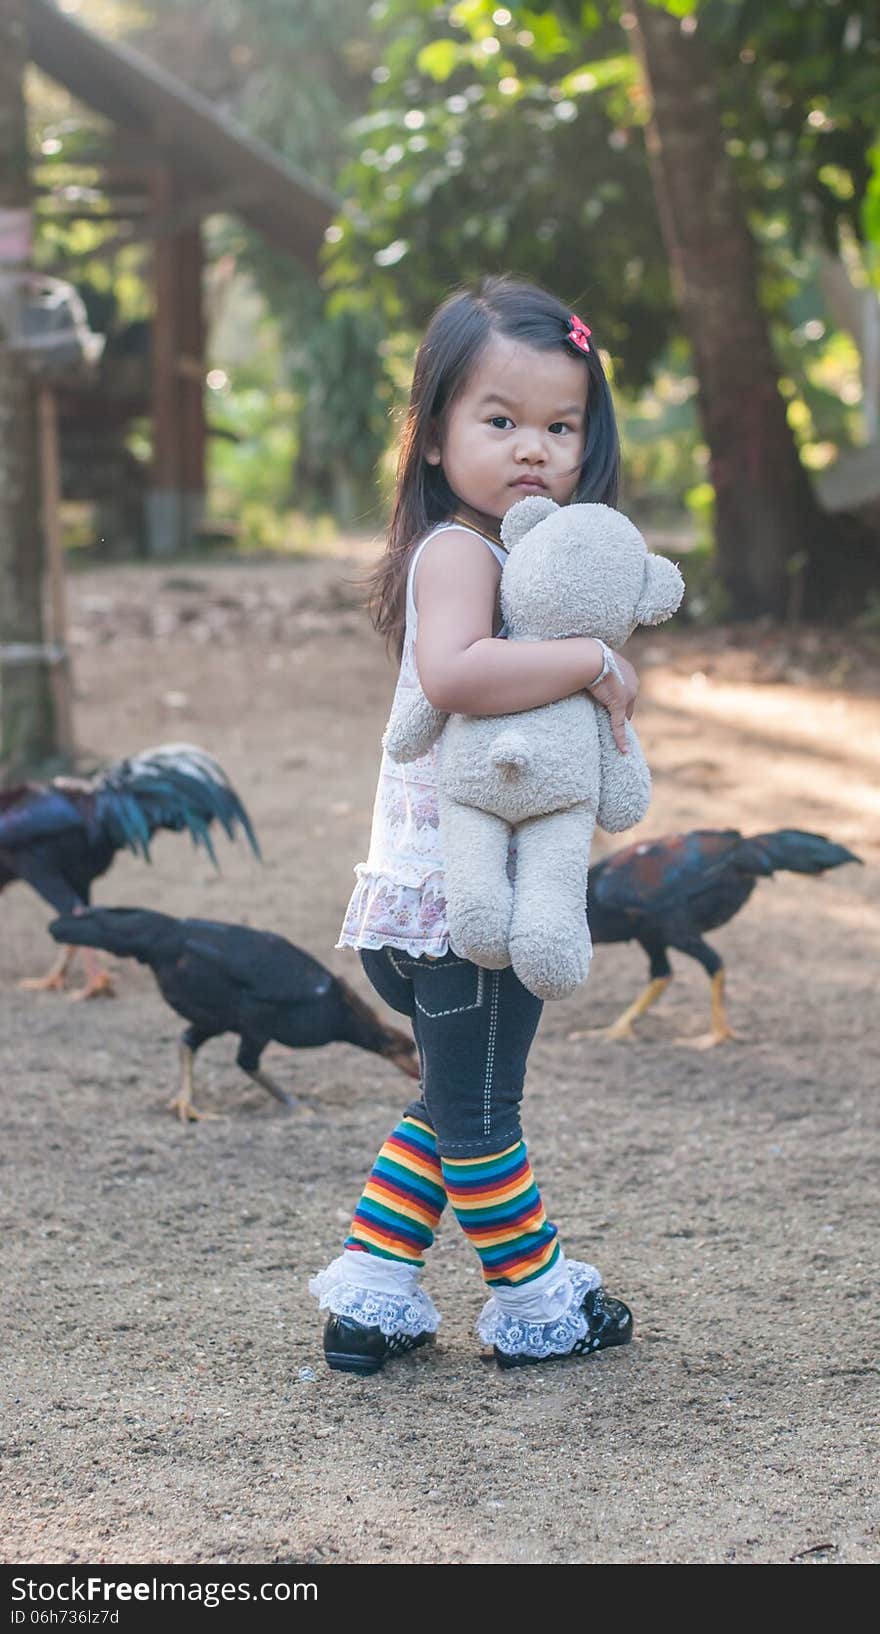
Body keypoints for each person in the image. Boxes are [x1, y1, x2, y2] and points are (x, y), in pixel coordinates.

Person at [309, 276, 639, 1374]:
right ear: (436, 437)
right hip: (463, 905)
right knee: (482, 1115)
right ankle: (539, 1297)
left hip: (442, 904)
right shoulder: (459, 552)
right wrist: (593, 662)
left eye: (560, 425)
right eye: (500, 421)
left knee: (449, 1103)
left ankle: (369, 1296)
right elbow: (452, 672)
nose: (532, 448)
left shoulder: (523, 565)